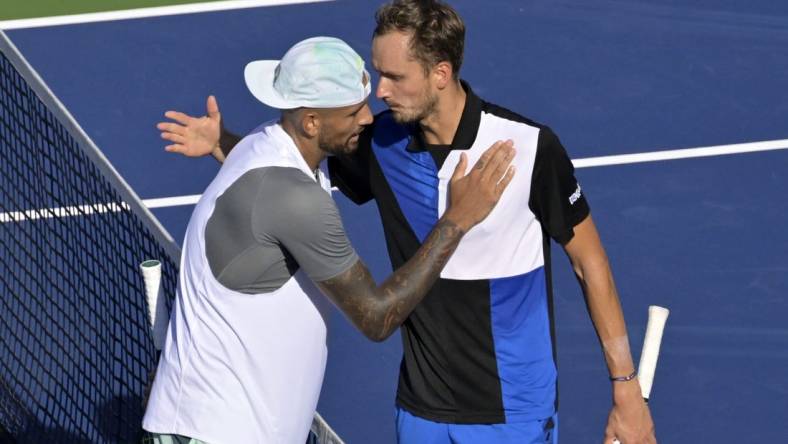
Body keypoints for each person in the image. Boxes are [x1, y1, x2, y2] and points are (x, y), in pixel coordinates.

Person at [159, 2, 657, 443]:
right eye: (379, 74)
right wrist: (227, 141)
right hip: (419, 410)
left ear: (440, 73)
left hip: (511, 411)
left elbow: (589, 263)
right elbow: (288, 175)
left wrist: (626, 390)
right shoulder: (381, 144)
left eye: (395, 77)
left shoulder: (527, 147)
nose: (379, 91)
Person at [143, 36, 517, 444]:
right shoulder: (293, 196)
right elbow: (376, 317)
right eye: (353, 111)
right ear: (311, 123)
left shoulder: (266, 143)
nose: (368, 118)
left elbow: (263, 195)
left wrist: (221, 142)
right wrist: (457, 220)